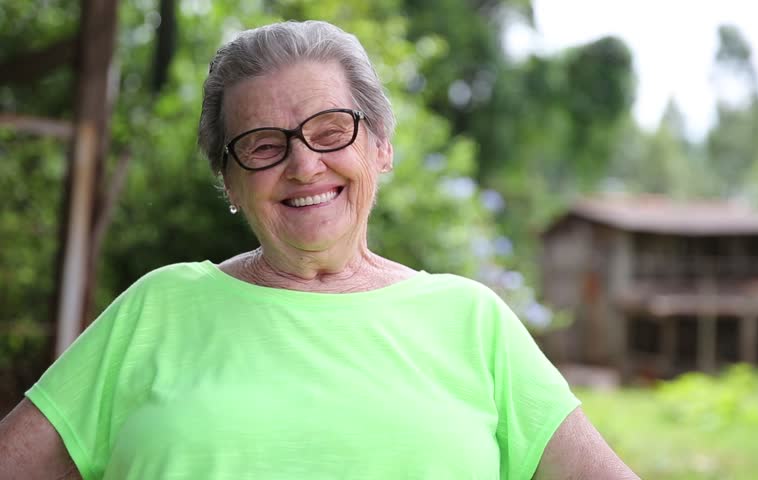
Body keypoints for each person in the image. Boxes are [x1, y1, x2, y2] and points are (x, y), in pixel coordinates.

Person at [0, 20, 637, 479]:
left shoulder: (472, 320)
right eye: (263, 145)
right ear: (230, 182)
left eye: (331, 132)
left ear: (380, 148)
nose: (304, 165)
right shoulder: (157, 308)